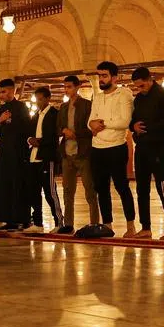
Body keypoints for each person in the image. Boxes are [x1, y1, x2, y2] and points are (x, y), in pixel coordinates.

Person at [88, 61, 138, 238]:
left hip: (116, 147)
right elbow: (90, 121)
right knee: (101, 188)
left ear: (114, 77)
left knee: (121, 186)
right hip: (97, 148)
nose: (101, 79)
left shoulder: (124, 94)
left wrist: (101, 124)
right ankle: (107, 225)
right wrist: (93, 125)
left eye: (104, 75)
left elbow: (124, 122)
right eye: (99, 75)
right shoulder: (97, 96)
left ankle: (130, 225)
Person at [129, 67, 164, 239]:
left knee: (163, 186)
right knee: (142, 189)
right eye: (137, 87)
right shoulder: (139, 99)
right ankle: (145, 227)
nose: (140, 89)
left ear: (150, 80)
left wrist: (148, 128)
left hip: (158, 148)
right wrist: (133, 127)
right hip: (141, 148)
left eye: (142, 85)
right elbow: (133, 120)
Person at [56, 74, 99, 234]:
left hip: (83, 152)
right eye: (65, 87)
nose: (67, 90)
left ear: (77, 87)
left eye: (70, 87)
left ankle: (94, 223)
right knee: (68, 191)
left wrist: (75, 133)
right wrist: (63, 130)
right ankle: (68, 223)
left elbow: (91, 127)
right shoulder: (63, 107)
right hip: (67, 153)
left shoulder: (87, 105)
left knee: (90, 190)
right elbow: (58, 126)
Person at [0, 78, 31, 229]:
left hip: (18, 152)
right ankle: (6, 217)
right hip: (3, 152)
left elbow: (26, 127)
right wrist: (0, 121)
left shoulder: (21, 107)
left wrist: (12, 121)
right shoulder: (0, 110)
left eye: (4, 91)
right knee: (4, 184)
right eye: (0, 92)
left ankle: (20, 217)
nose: (2, 95)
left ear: (13, 91)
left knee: (17, 184)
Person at [24, 86, 63, 233]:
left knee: (50, 192)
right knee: (33, 191)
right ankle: (38, 223)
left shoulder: (54, 114)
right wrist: (30, 139)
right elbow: (29, 132)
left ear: (48, 98)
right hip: (34, 157)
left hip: (47, 157)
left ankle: (59, 222)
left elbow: (54, 136)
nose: (39, 102)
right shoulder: (36, 115)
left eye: (41, 99)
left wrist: (39, 141)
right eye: (37, 99)